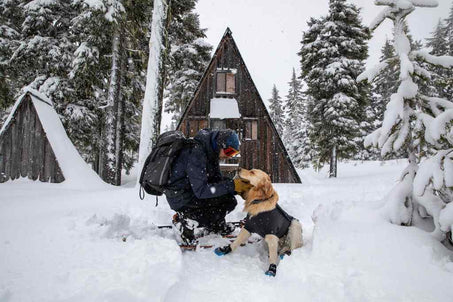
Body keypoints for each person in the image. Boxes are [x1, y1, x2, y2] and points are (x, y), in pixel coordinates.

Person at [164, 128, 251, 244]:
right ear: (221, 144)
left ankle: (215, 225)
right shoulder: (197, 153)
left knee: (228, 200)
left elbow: (216, 181)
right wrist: (232, 186)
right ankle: (186, 222)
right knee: (225, 201)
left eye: (234, 154)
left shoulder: (210, 152)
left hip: (189, 193)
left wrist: (237, 188)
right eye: (229, 152)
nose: (230, 156)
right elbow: (201, 190)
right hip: (180, 197)